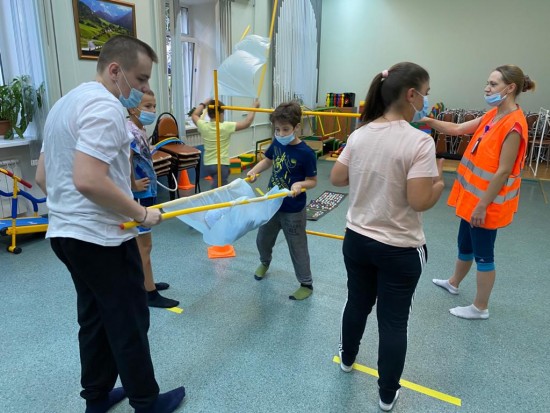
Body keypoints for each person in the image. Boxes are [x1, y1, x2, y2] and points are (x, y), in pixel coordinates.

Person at [35, 35, 185, 413]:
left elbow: (42, 177)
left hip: (65, 234)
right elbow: (88, 179)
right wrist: (139, 212)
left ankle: (97, 398)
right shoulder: (106, 109)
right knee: (129, 320)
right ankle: (146, 402)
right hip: (102, 239)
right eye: (141, 79)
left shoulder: (66, 103)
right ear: (115, 70)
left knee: (95, 318)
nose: (146, 89)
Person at [329, 62, 444, 411]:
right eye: (425, 92)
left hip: (357, 240)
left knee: (358, 303)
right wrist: (439, 182)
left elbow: (336, 178)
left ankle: (347, 359)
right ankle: (386, 393)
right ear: (411, 95)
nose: (426, 99)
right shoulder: (419, 142)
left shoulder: (360, 133)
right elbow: (419, 199)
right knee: (393, 320)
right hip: (398, 247)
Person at [425, 65, 535, 320]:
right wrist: (428, 121)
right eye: (488, 82)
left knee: (484, 255)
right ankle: (453, 282)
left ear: (510, 89)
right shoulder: (493, 115)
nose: (487, 88)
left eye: (493, 84)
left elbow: (503, 171)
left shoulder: (514, 126)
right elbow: (458, 129)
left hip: (487, 203)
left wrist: (482, 206)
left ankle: (480, 307)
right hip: (472, 198)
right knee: (465, 244)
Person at [247, 101, 317, 300]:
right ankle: (265, 262)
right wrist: (254, 171)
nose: (280, 133)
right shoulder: (277, 142)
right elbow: (268, 160)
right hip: (272, 204)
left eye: (285, 129)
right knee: (263, 239)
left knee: (297, 246)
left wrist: (300, 185)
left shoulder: (306, 153)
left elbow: (312, 181)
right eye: (277, 129)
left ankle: (306, 283)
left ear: (296, 128)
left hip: (293, 210)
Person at [127, 91, 179, 309]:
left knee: (146, 244)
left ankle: (147, 282)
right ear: (132, 109)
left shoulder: (139, 128)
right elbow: (125, 159)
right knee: (144, 245)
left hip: (146, 193)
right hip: (139, 195)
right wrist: (133, 184)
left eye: (154, 106)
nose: (152, 111)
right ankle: (148, 292)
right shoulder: (128, 130)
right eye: (147, 106)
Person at [192, 98, 260, 188]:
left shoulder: (203, 125)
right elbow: (247, 123)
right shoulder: (225, 126)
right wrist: (254, 107)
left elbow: (194, 115)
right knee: (219, 190)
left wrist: (204, 103)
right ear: (220, 114)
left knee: (222, 184)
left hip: (208, 165)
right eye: (223, 114)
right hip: (220, 165)